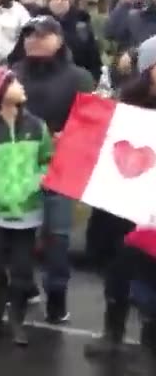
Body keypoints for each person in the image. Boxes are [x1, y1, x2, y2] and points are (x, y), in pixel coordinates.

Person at [10, 15, 94, 323]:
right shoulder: (13, 73)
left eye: (42, 34)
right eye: (29, 34)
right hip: (19, 165)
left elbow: (90, 122)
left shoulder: (79, 78)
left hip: (60, 166)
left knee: (57, 235)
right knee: (18, 232)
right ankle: (21, 289)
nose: (35, 39)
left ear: (58, 39)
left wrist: (65, 137)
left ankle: (56, 296)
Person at [0, 65, 53, 347]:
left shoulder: (37, 127)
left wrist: (37, 181)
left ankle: (17, 320)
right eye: (13, 81)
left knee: (21, 270)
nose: (21, 84)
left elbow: (47, 161)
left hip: (28, 215)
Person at [84, 35, 156, 361]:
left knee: (150, 277)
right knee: (116, 267)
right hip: (120, 202)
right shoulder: (127, 100)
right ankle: (112, 333)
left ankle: (148, 346)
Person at [9, 0, 102, 81]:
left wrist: (92, 81)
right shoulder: (35, 24)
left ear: (70, 2)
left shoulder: (81, 27)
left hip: (73, 82)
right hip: (38, 80)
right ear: (49, 1)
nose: (59, 1)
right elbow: (17, 55)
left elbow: (93, 59)